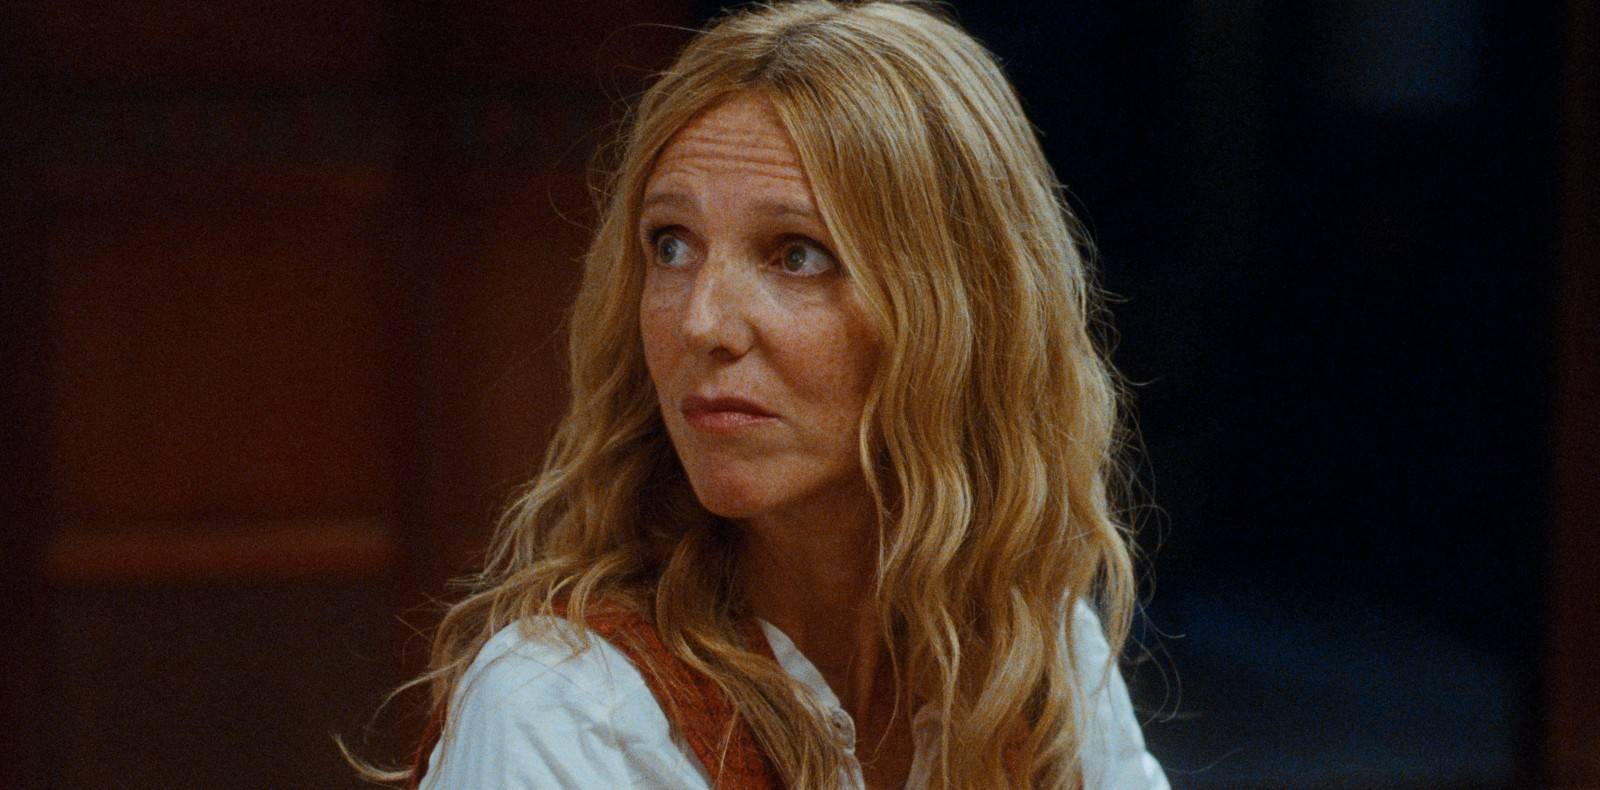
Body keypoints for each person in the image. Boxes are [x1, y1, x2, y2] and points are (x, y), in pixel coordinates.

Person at [386, 1, 1169, 787]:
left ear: (962, 314)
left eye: (797, 255)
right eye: (671, 245)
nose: (702, 322)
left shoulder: (1031, 652)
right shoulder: (565, 707)